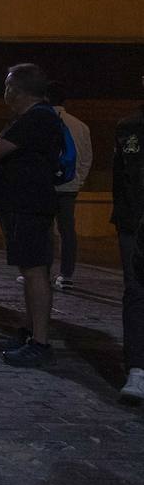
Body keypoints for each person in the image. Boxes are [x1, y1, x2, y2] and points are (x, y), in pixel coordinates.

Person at [0, 63, 64, 368]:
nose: (5, 91)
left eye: (8, 85)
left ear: (16, 88)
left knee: (35, 272)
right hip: (23, 205)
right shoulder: (31, 118)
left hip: (30, 205)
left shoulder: (36, 118)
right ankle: (29, 334)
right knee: (30, 272)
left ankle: (39, 342)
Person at [111, 77, 144, 404]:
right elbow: (121, 178)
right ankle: (137, 368)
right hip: (134, 223)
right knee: (135, 291)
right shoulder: (129, 127)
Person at [45, 82, 91, 291]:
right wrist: (78, 180)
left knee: (44, 229)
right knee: (67, 231)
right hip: (69, 186)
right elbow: (86, 158)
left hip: (45, 186)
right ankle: (66, 273)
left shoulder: (40, 121)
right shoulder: (80, 125)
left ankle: (42, 271)